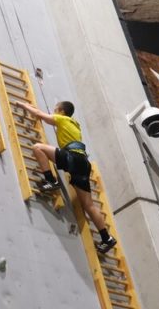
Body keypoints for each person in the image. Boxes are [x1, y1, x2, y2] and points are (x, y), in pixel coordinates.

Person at [17, 99, 117, 253]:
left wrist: (23, 105)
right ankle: (107, 238)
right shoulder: (75, 124)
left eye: (55, 109)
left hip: (73, 158)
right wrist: (31, 106)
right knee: (88, 205)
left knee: (38, 148)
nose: (54, 112)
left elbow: (39, 114)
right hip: (83, 163)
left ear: (61, 111)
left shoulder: (62, 119)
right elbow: (39, 112)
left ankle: (51, 180)